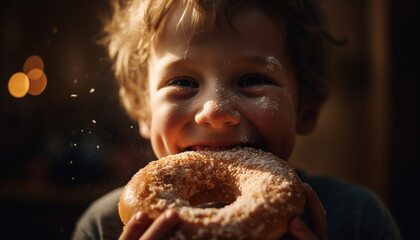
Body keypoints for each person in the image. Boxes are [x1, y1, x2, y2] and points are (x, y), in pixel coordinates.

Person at [72, 0, 402, 239]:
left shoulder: (359, 219)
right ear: (145, 111)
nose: (216, 110)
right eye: (183, 83)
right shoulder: (105, 227)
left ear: (306, 107)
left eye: (252, 80)